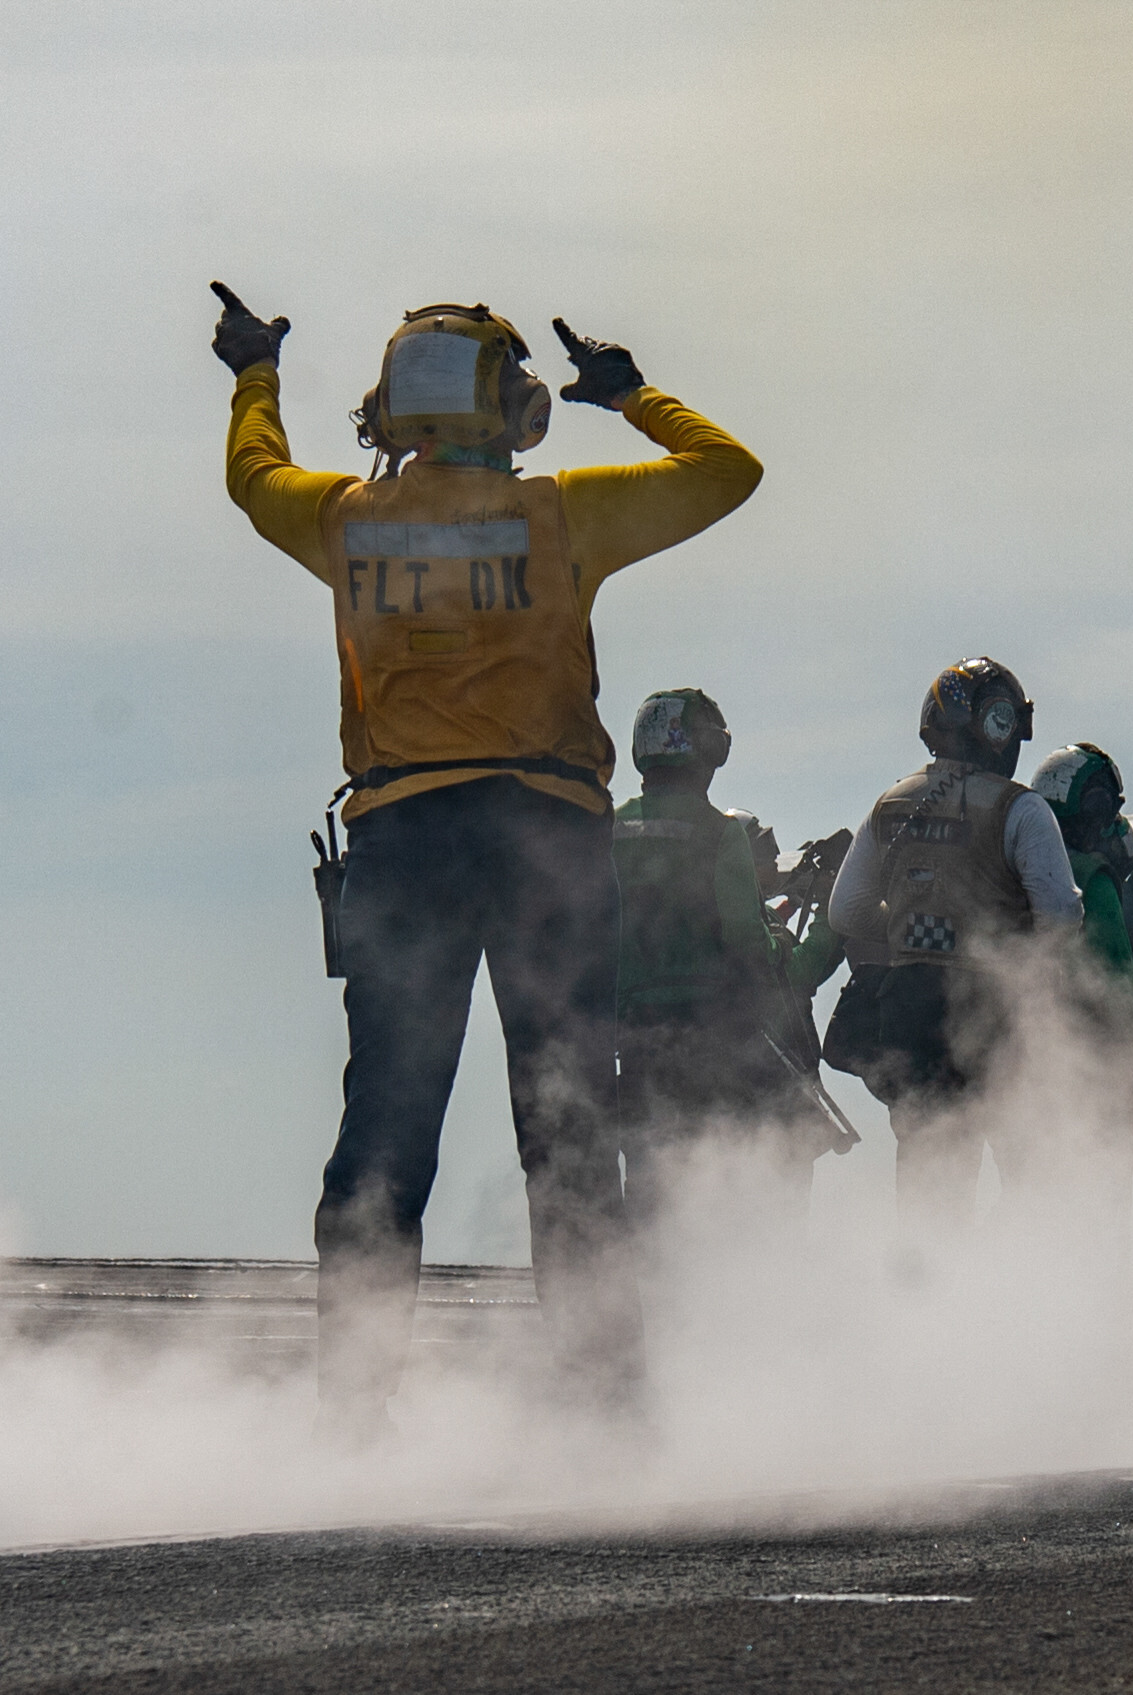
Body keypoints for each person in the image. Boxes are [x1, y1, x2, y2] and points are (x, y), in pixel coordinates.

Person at [213, 285, 760, 1442]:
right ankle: (604, 1412)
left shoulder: (346, 521)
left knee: (383, 1134)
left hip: (402, 843)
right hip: (544, 837)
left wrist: (255, 374)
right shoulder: (560, 517)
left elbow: (254, 477)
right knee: (569, 1132)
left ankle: (353, 1419)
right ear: (514, 410)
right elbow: (728, 471)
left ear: (388, 412)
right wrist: (630, 393)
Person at [825, 659, 1083, 1239]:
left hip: (910, 1013)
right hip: (997, 1010)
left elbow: (846, 911)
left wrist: (910, 930)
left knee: (929, 1176)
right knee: (1030, 1172)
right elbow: (1061, 916)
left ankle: (926, 1283)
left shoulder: (890, 805)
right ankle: (1014, 1278)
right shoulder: (1022, 809)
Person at [610, 689, 846, 1236]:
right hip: (708, 1034)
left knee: (649, 1176)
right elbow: (745, 942)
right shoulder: (721, 832)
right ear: (705, 751)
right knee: (714, 1174)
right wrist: (782, 948)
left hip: (633, 1031)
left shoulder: (612, 828)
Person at [1022, 742, 1133, 1246]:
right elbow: (1117, 976)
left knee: (1033, 1194)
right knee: (1105, 1192)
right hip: (1094, 1065)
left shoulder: (1021, 870)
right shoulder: (1092, 880)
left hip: (1025, 1061)